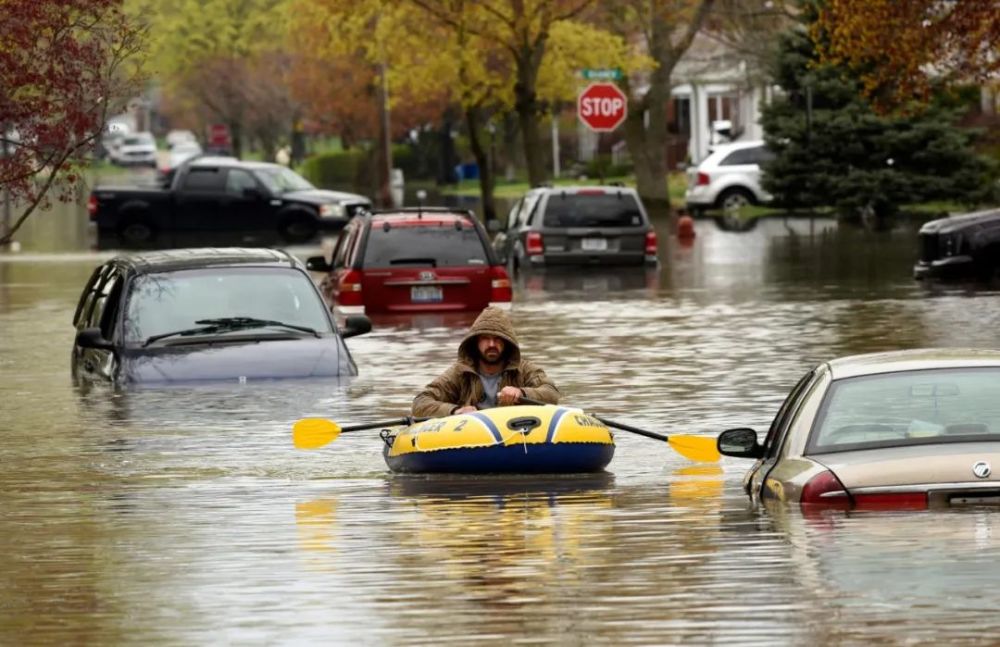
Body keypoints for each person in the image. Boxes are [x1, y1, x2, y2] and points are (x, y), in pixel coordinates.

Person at [412, 306, 559, 417]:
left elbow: (551, 393)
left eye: (497, 339)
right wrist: (456, 410)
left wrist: (522, 393)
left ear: (507, 342)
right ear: (475, 342)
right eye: (485, 338)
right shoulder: (459, 373)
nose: (491, 345)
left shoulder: (524, 369)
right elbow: (421, 402)